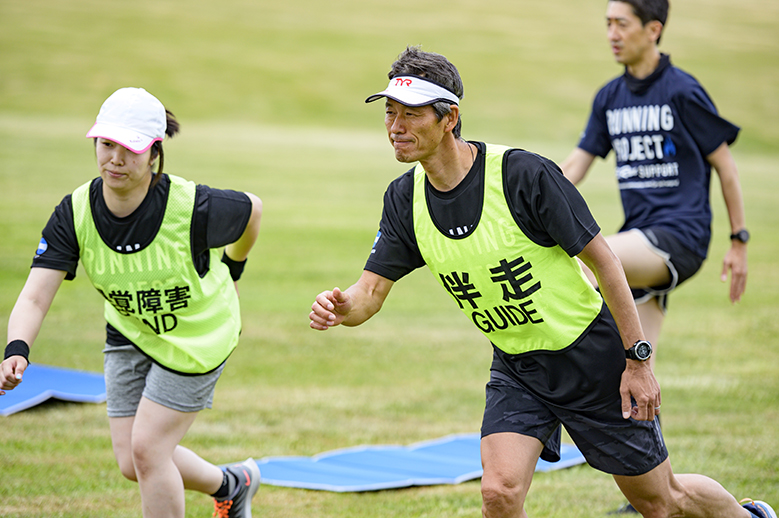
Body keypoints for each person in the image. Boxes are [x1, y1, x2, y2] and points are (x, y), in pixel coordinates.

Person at [308, 46, 774, 518]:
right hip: (518, 366)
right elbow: (368, 294)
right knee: (499, 494)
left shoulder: (521, 175)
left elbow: (607, 263)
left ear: (449, 118)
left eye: (411, 114)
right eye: (390, 113)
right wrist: (341, 307)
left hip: (591, 358)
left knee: (661, 501)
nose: (395, 127)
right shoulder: (404, 199)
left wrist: (637, 361)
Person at [1, 87, 263, 518]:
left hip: (199, 337)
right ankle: (233, 485)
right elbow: (35, 293)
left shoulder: (194, 205)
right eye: (106, 145)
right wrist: (17, 350)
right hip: (130, 330)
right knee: (132, 462)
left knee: (149, 450)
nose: (115, 159)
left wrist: (234, 269)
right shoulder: (75, 212)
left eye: (130, 148)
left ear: (154, 152)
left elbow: (252, 210)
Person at [560, 0, 748, 369]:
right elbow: (574, 166)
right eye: (608, 24)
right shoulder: (609, 97)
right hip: (638, 238)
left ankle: (542, 372)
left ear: (653, 30)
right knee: (633, 373)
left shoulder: (682, 91)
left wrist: (738, 241)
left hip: (681, 236)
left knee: (590, 260)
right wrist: (523, 201)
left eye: (622, 24)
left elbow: (727, 168)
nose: (612, 34)